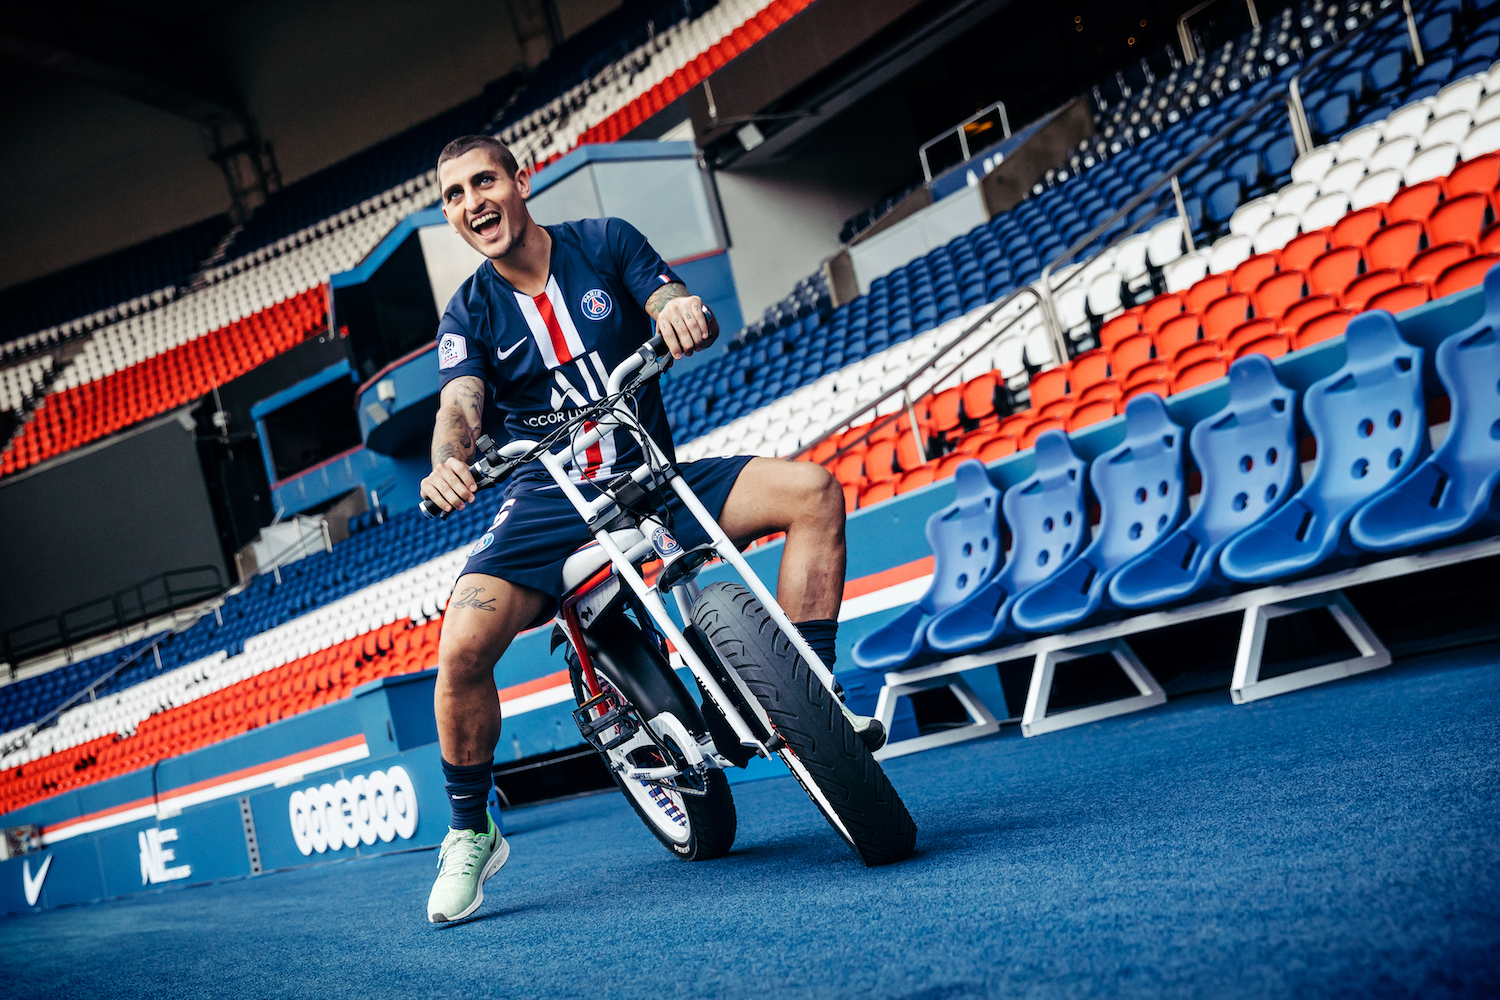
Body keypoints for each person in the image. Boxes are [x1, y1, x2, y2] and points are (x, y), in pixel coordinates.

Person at [418, 135, 873, 924]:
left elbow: (665, 298)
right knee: (459, 648)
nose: (472, 203)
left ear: (521, 180)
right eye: (454, 195)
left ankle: (812, 705)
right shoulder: (469, 312)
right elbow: (458, 406)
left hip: (652, 473)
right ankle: (470, 832)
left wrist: (680, 311)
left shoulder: (604, 242)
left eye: (483, 181)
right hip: (548, 501)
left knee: (815, 493)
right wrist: (448, 463)